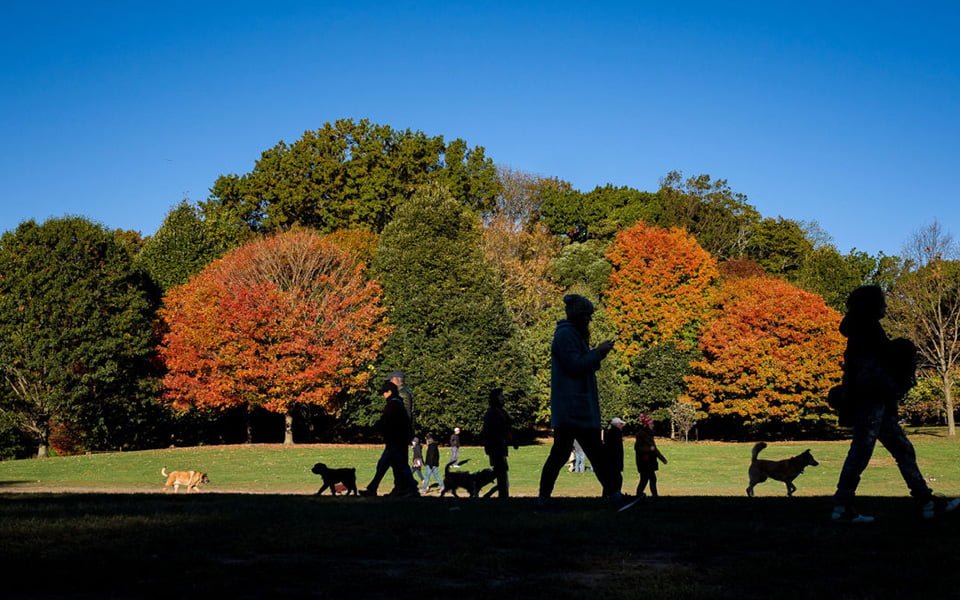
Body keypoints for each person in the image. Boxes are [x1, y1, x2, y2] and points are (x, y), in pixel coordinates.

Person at [831, 285, 959, 523]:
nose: (885, 306)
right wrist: (901, 353)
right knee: (864, 452)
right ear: (871, 305)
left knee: (901, 450)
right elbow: (874, 366)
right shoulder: (867, 331)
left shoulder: (861, 330)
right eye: (882, 302)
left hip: (874, 402)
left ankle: (926, 502)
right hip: (873, 402)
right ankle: (843, 506)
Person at [536, 294, 636, 512]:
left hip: (575, 408)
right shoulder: (566, 336)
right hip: (574, 408)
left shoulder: (572, 336)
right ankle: (616, 497)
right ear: (579, 316)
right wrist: (598, 353)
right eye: (587, 316)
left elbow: (581, 364)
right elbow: (575, 366)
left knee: (566, 454)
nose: (589, 321)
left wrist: (596, 354)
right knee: (586, 454)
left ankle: (544, 499)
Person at [360, 380, 419, 497]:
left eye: (384, 393)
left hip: (395, 441)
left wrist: (377, 429)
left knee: (398, 466)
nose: (383, 395)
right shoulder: (398, 404)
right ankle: (374, 488)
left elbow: (387, 422)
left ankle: (412, 488)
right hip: (397, 440)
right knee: (386, 465)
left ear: (389, 392)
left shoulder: (393, 405)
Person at [481, 388, 517, 498]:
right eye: (501, 396)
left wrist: (513, 440)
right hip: (495, 446)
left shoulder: (501, 412)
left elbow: (507, 429)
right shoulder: (492, 412)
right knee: (500, 471)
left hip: (501, 446)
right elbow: (488, 431)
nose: (503, 398)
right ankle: (502, 494)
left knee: (500, 470)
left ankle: (503, 494)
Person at [634, 414, 667, 498]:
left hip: (649, 461)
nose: (653, 425)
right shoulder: (642, 434)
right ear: (646, 425)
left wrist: (661, 458)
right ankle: (650, 495)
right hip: (644, 461)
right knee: (647, 479)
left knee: (648, 479)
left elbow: (654, 448)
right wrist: (649, 449)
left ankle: (648, 495)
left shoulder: (649, 434)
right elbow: (638, 448)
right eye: (651, 424)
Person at [603, 417, 626, 494]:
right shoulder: (616, 433)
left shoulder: (610, 432)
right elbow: (617, 449)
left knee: (611, 478)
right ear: (617, 424)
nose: (622, 426)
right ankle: (616, 493)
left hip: (610, 459)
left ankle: (608, 493)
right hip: (614, 459)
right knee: (617, 478)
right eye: (620, 424)